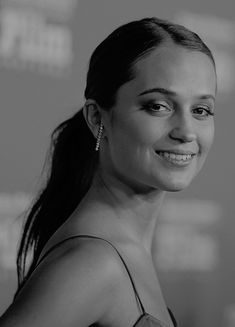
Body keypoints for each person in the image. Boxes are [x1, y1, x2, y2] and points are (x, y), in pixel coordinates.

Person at [0, 17, 216, 327]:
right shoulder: (92, 264)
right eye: (158, 105)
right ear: (97, 118)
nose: (186, 131)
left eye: (201, 110)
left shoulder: (121, 247)